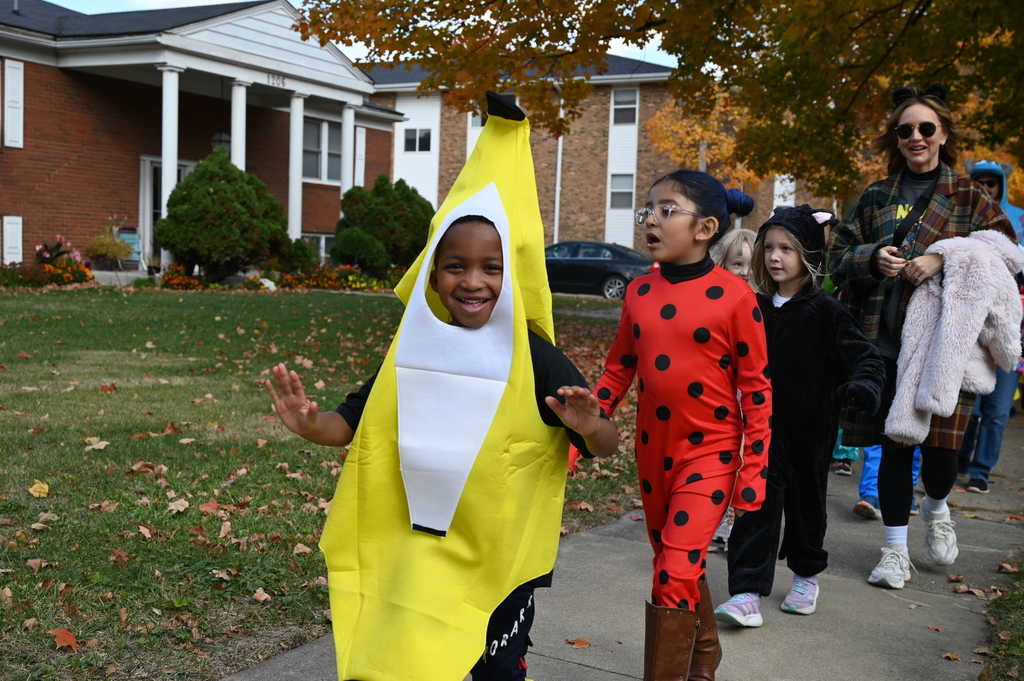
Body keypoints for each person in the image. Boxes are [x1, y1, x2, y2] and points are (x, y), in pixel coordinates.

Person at [265, 93, 619, 681]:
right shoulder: (414, 352)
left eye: (492, 267)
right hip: (416, 556)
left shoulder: (536, 357)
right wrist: (311, 424)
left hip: (498, 564)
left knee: (490, 667)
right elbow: (355, 421)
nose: (473, 282)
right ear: (433, 271)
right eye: (456, 265)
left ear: (515, 277)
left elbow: (605, 443)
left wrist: (588, 424)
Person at [827, 84, 1016, 590]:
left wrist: (945, 256)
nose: (915, 136)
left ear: (943, 134)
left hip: (946, 351)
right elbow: (834, 258)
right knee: (894, 447)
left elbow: (1006, 260)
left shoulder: (971, 196)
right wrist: (870, 259)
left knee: (940, 458)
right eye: (905, 129)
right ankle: (894, 552)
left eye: (925, 128)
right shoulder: (876, 194)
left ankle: (937, 505)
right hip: (882, 345)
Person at [592, 169, 770, 681]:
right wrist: (581, 433)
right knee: (677, 562)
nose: (651, 219)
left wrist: (752, 470)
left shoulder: (737, 298)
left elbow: (757, 392)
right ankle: (704, 654)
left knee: (672, 570)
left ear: (706, 227)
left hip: (710, 453)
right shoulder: (639, 292)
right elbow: (618, 369)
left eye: (667, 210)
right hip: (653, 453)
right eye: (648, 209)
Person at [714, 205, 884, 627]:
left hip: (810, 431)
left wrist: (863, 386)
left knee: (808, 507)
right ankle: (746, 592)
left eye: (786, 249)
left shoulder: (825, 310)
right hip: (759, 430)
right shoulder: (748, 306)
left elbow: (865, 357)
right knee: (756, 506)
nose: (774, 256)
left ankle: (806, 576)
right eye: (769, 247)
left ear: (808, 254)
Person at [955, 159, 1024, 493]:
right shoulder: (962, 215)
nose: (986, 188)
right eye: (979, 182)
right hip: (971, 324)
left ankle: (981, 471)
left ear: (1001, 185)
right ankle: (959, 460)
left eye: (992, 183)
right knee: (968, 403)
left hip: (1013, 325)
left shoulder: (1021, 219)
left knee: (997, 409)